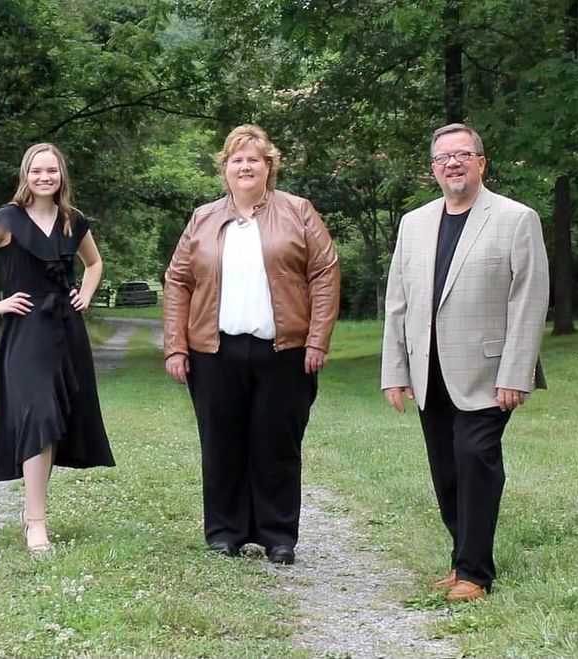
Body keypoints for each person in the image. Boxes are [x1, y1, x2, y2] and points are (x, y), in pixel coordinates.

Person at [381, 123, 549, 602]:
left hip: (488, 373)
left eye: (462, 154)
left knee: (476, 459)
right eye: (443, 158)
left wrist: (516, 373)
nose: (452, 163)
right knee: (446, 469)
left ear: (481, 161)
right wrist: (395, 370)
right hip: (428, 372)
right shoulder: (414, 223)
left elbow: (529, 299)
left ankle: (476, 573)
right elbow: (398, 302)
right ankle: (462, 561)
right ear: (434, 169)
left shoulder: (517, 219)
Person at [163, 124, 340, 565]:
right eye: (236, 159)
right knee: (221, 444)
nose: (245, 166)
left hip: (284, 352)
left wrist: (317, 339)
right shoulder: (203, 219)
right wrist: (176, 346)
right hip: (214, 352)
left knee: (277, 444)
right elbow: (177, 281)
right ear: (225, 168)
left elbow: (325, 273)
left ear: (269, 167)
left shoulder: (298, 211)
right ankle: (225, 532)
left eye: (254, 159)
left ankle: (279, 536)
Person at [0, 143, 114, 555]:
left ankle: (33, 511)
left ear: (61, 175)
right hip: (26, 332)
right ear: (26, 175)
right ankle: (35, 522)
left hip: (66, 331)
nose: (44, 177)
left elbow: (95, 264)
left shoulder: (73, 221)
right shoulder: (7, 219)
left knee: (56, 417)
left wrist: (86, 295)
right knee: (38, 412)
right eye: (37, 171)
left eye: (51, 171)